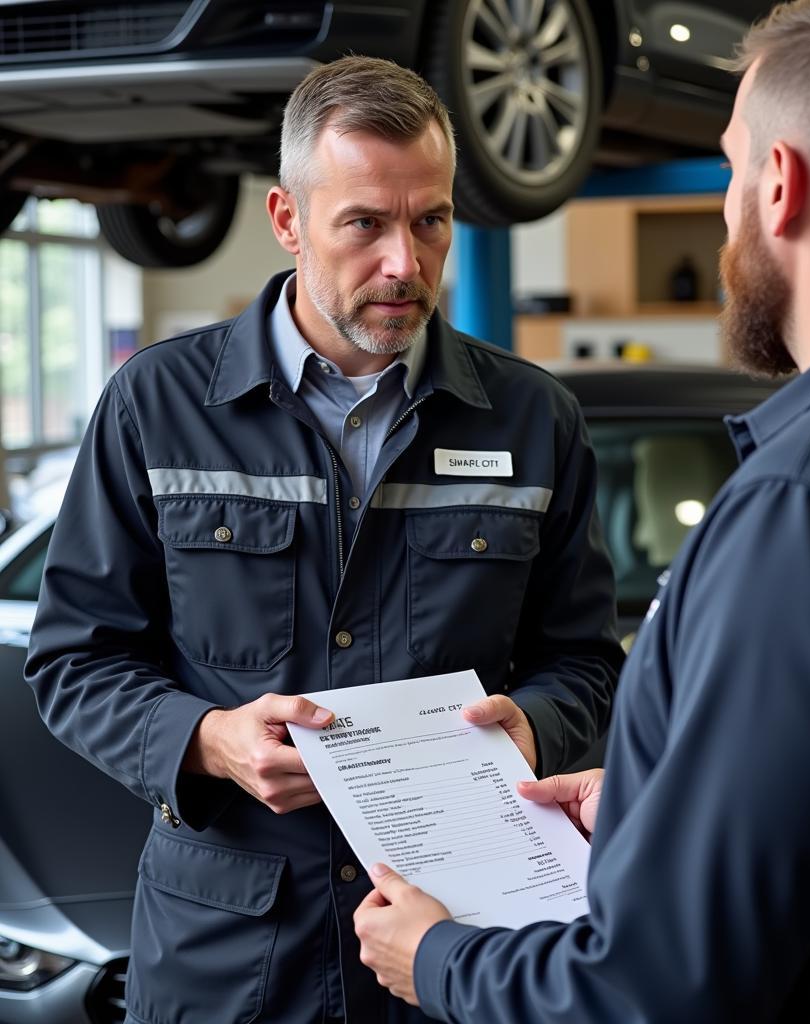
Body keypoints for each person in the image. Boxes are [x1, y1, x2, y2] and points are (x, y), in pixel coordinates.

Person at [353, 2, 810, 1021]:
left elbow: (663, 990)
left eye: (727, 169)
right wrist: (656, 799)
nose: (724, 212)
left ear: (781, 184)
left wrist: (440, 958)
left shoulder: (809, 510)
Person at [24, 56, 623, 1024]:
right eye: (365, 224)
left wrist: (537, 725)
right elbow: (74, 661)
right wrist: (206, 739)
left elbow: (582, 659)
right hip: (230, 956)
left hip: (453, 941)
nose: (405, 262)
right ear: (287, 219)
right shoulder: (157, 406)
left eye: (430, 221)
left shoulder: (531, 420)